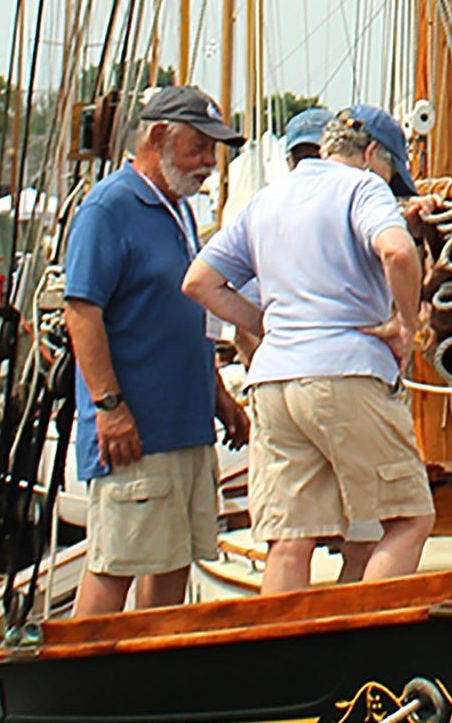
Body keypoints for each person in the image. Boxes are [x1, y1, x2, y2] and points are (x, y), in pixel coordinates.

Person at [182, 103, 434, 594]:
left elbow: (199, 282)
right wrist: (405, 325)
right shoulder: (363, 187)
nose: (392, 187)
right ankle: (363, 644)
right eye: (392, 174)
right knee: (408, 521)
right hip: (346, 373)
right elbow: (397, 252)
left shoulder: (267, 199)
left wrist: (271, 326)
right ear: (371, 154)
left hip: (275, 384)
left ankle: (285, 659)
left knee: (289, 540)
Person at [64, 85, 251, 616]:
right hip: (136, 433)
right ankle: (84, 682)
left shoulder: (178, 211)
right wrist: (109, 407)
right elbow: (82, 311)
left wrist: (219, 396)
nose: (209, 165)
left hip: (185, 427)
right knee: (117, 562)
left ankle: (149, 680)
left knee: (172, 561)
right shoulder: (110, 207)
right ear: (161, 137)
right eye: (199, 148)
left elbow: (189, 314)